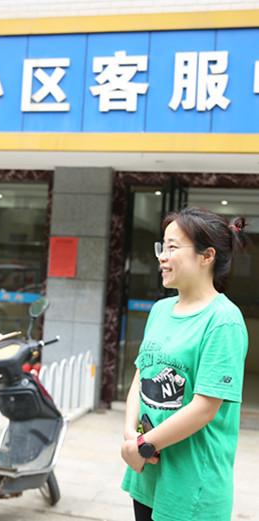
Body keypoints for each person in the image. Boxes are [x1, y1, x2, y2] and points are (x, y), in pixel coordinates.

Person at [121, 207, 249, 521]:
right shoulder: (161, 310)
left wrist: (144, 445)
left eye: (173, 247)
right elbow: (141, 376)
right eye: (162, 247)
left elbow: (205, 406)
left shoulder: (224, 322)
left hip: (192, 485)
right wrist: (131, 438)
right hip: (148, 475)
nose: (162, 256)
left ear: (207, 256)